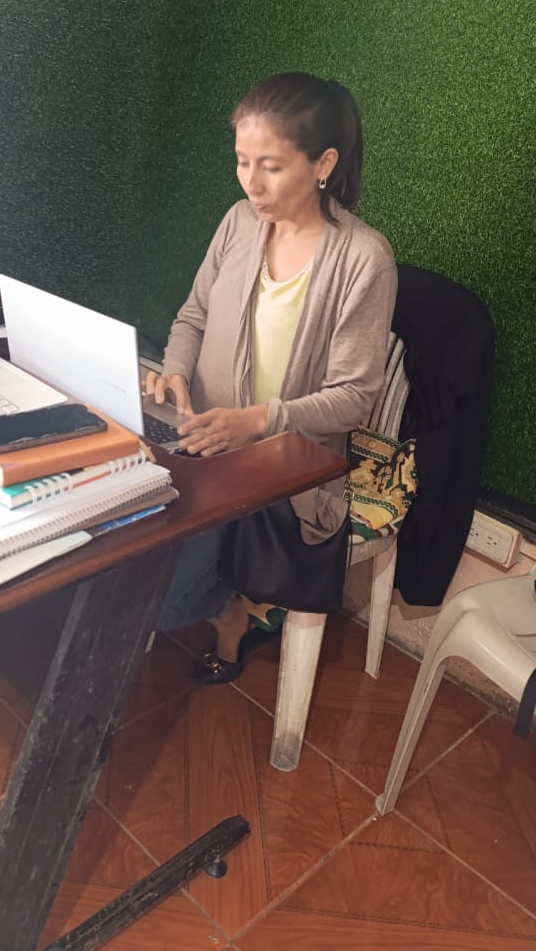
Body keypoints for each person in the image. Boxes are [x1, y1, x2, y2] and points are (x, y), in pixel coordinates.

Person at [146, 72, 397, 681]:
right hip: (201, 441)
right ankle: (230, 600)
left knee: (156, 600)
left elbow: (355, 396)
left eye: (271, 166)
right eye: (242, 162)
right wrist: (175, 369)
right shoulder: (238, 222)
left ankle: (234, 610)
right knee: (119, 549)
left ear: (323, 164)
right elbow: (193, 316)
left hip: (282, 465)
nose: (251, 183)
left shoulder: (364, 258)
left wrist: (258, 422)